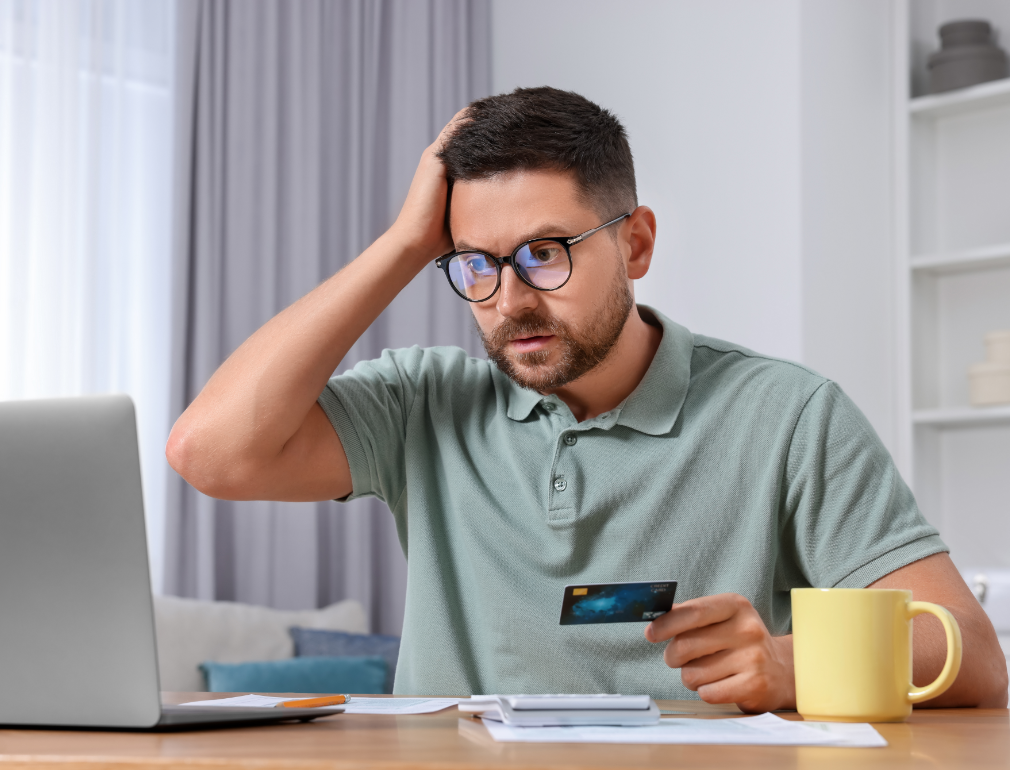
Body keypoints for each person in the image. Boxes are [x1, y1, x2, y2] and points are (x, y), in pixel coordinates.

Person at [167, 87, 1007, 710]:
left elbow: (972, 657)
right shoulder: (424, 401)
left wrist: (795, 668)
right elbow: (211, 453)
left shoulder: (788, 414)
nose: (509, 300)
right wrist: (401, 245)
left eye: (544, 252)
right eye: (476, 264)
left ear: (636, 243)